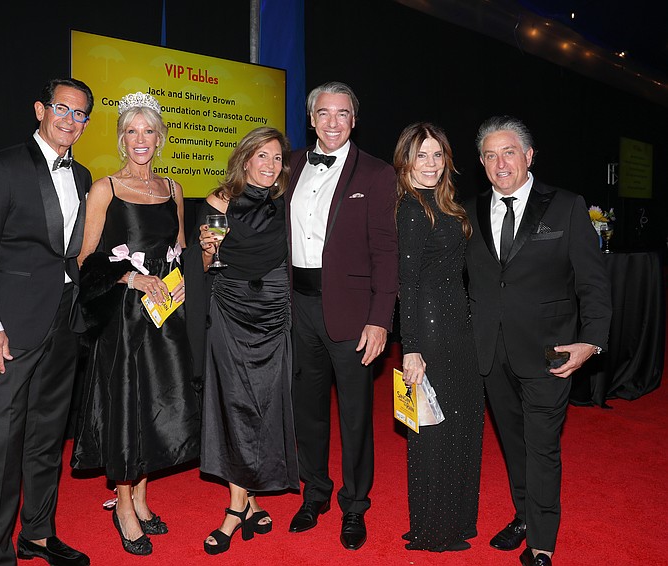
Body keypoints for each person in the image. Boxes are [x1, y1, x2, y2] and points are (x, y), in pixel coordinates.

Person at [466, 116, 611, 566]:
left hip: (551, 350)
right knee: (513, 442)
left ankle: (541, 542)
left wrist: (592, 341)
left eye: (508, 152)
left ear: (529, 156)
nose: (499, 162)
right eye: (490, 155)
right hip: (490, 350)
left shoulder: (566, 206)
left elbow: (593, 282)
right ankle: (525, 514)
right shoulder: (469, 212)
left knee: (542, 444)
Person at [0, 77, 93, 566]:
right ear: (41, 109)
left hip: (62, 323)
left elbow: (70, 253)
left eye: (81, 114)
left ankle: (36, 535)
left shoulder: (82, 176)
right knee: (1, 447)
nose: (70, 120)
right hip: (9, 330)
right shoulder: (1, 167)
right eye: (63, 108)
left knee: (46, 437)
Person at [69, 91, 200, 557]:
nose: (140, 140)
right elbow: (84, 259)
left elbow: (180, 251)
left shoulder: (173, 190)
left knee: (157, 404)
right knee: (127, 405)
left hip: (166, 318)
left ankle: (143, 498)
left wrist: (184, 283)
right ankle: (124, 505)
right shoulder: (104, 189)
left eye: (148, 131)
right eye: (131, 132)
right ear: (122, 140)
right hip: (124, 318)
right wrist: (130, 276)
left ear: (159, 138)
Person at [285, 81, 398, 551]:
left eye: (343, 114)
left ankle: (355, 505)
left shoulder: (376, 173)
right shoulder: (288, 164)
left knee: (354, 415)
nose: (333, 122)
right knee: (307, 412)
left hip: (353, 314)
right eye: (324, 113)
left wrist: (380, 318)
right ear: (311, 119)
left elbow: (387, 252)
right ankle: (314, 493)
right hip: (297, 307)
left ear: (354, 120)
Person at [183, 127, 300, 555]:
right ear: (246, 159)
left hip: (274, 312)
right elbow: (206, 265)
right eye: (262, 157)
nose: (269, 166)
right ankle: (238, 506)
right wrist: (207, 248)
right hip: (231, 311)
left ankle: (247, 499)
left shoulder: (288, 203)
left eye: (276, 158)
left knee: (264, 406)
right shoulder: (218, 202)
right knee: (234, 404)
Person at [394, 122, 484, 552]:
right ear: (406, 161)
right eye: (421, 155)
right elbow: (406, 283)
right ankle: (434, 528)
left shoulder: (446, 203)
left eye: (437, 155)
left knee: (463, 423)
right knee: (436, 429)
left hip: (458, 326)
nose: (430, 164)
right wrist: (409, 347)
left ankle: (458, 520)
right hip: (430, 330)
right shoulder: (412, 209)